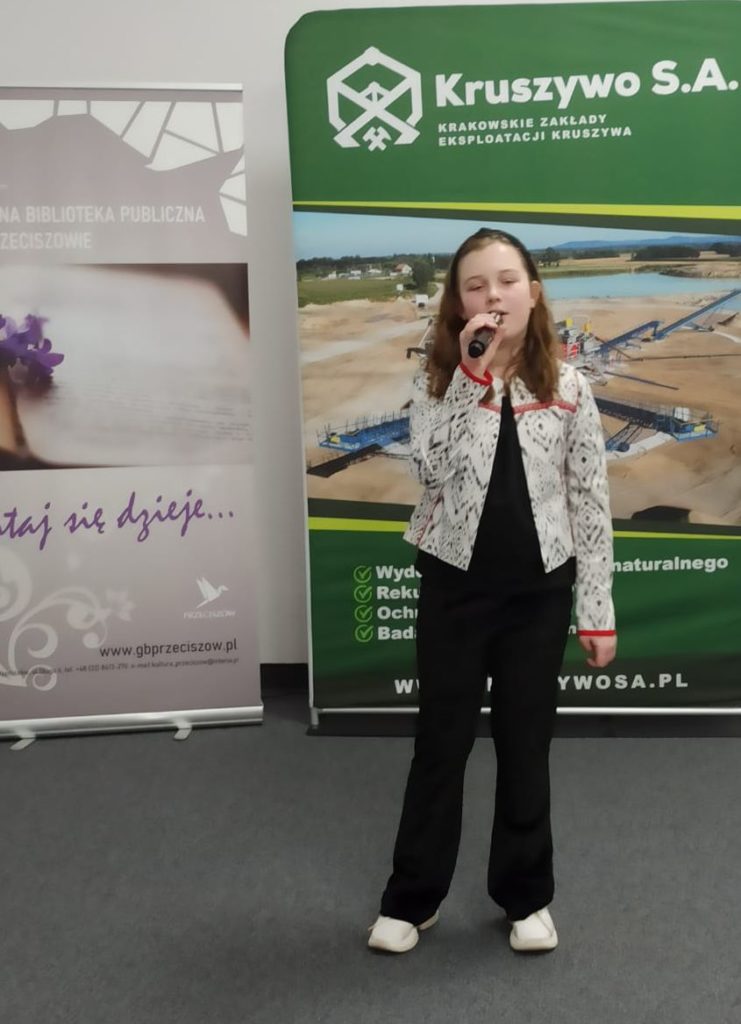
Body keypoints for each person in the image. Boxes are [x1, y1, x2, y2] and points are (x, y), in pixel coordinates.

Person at [367, 227, 616, 954]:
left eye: (507, 281)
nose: (493, 296)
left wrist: (596, 610)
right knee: (439, 745)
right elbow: (428, 471)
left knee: (524, 745)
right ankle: (412, 900)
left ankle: (525, 897)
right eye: (475, 285)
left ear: (532, 293)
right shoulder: (436, 383)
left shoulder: (568, 387)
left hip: (538, 595)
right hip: (454, 589)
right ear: (457, 303)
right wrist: (470, 381)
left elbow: (589, 500)